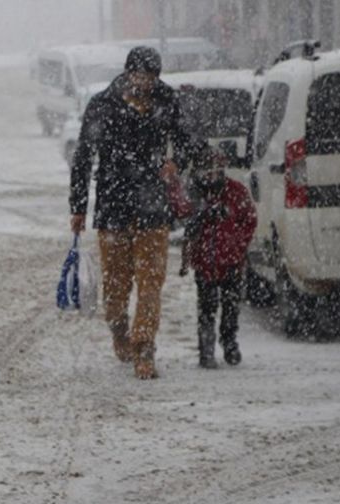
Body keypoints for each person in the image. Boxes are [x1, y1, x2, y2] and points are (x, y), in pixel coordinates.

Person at [70, 46, 198, 379]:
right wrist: (78, 207)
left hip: (153, 206)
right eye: (140, 76)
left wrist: (177, 161)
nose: (146, 83)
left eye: (152, 77)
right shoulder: (102, 104)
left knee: (150, 282)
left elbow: (187, 140)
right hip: (113, 205)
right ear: (128, 73)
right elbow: (83, 157)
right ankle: (118, 329)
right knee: (115, 288)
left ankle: (144, 348)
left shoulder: (167, 100)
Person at [179, 148, 257, 369]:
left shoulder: (236, 192)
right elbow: (187, 224)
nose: (211, 176)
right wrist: (202, 215)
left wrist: (238, 246)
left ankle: (229, 340)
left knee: (231, 305)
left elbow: (249, 220)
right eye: (207, 172)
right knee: (206, 307)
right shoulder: (196, 195)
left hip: (232, 261)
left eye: (216, 171)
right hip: (204, 263)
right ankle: (206, 348)